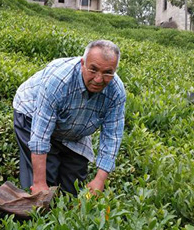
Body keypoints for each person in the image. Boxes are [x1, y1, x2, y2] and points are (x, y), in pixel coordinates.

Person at [13, 40, 126, 196]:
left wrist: (100, 180)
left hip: (74, 123)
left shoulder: (116, 92)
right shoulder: (59, 81)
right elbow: (40, 136)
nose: (99, 79)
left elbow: (112, 136)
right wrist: (39, 183)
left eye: (107, 72)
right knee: (45, 185)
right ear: (82, 64)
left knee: (73, 188)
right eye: (93, 69)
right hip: (32, 113)